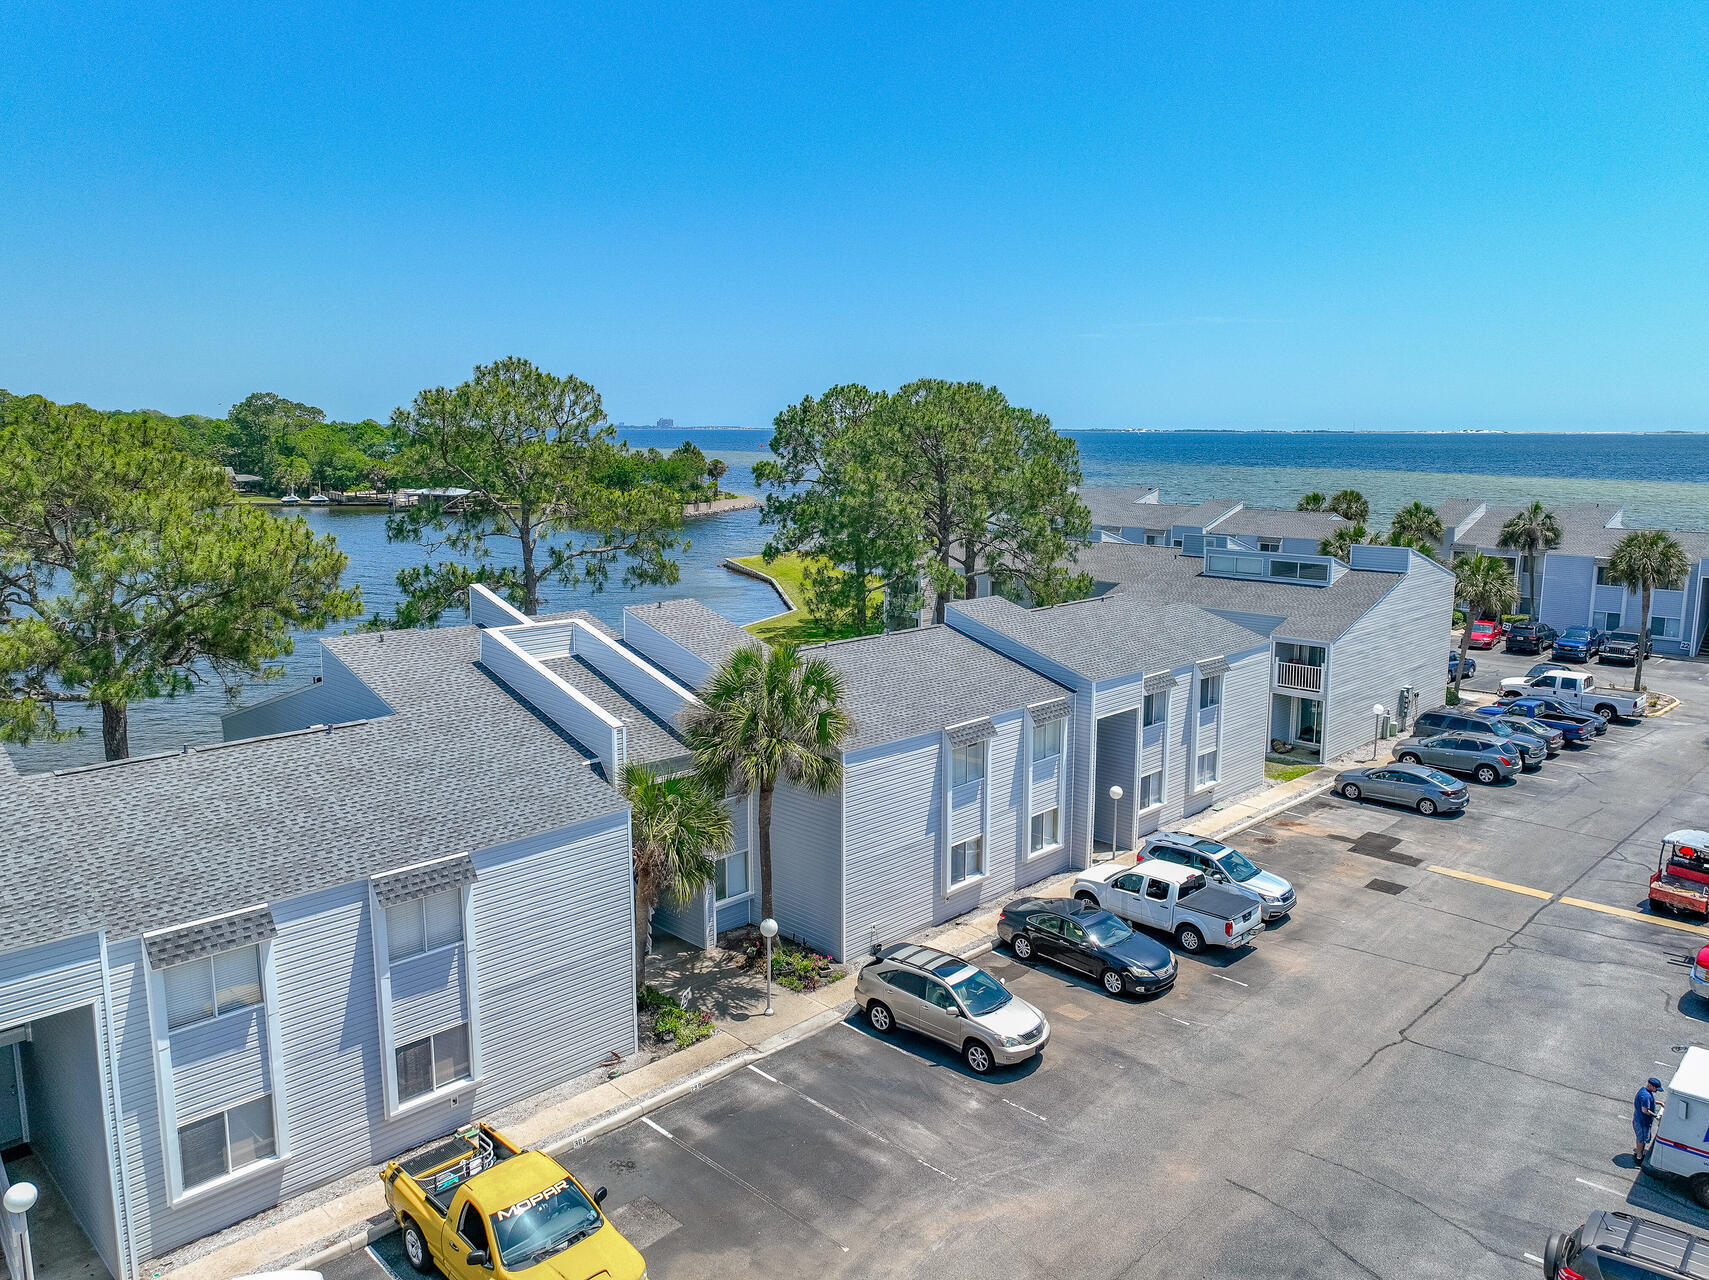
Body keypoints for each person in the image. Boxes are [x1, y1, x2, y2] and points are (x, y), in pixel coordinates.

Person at [1634, 1076, 1662, 1163]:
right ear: (1651, 1085)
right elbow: (1645, 1110)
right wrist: (1656, 1116)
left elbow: (1647, 1102)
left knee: (1640, 1138)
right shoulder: (1646, 1096)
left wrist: (1659, 1103)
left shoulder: (1644, 1091)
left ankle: (1639, 1151)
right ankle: (1639, 1157)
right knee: (1641, 1139)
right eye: (1656, 1088)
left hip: (1639, 1119)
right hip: (1642, 1122)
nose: (1656, 1090)